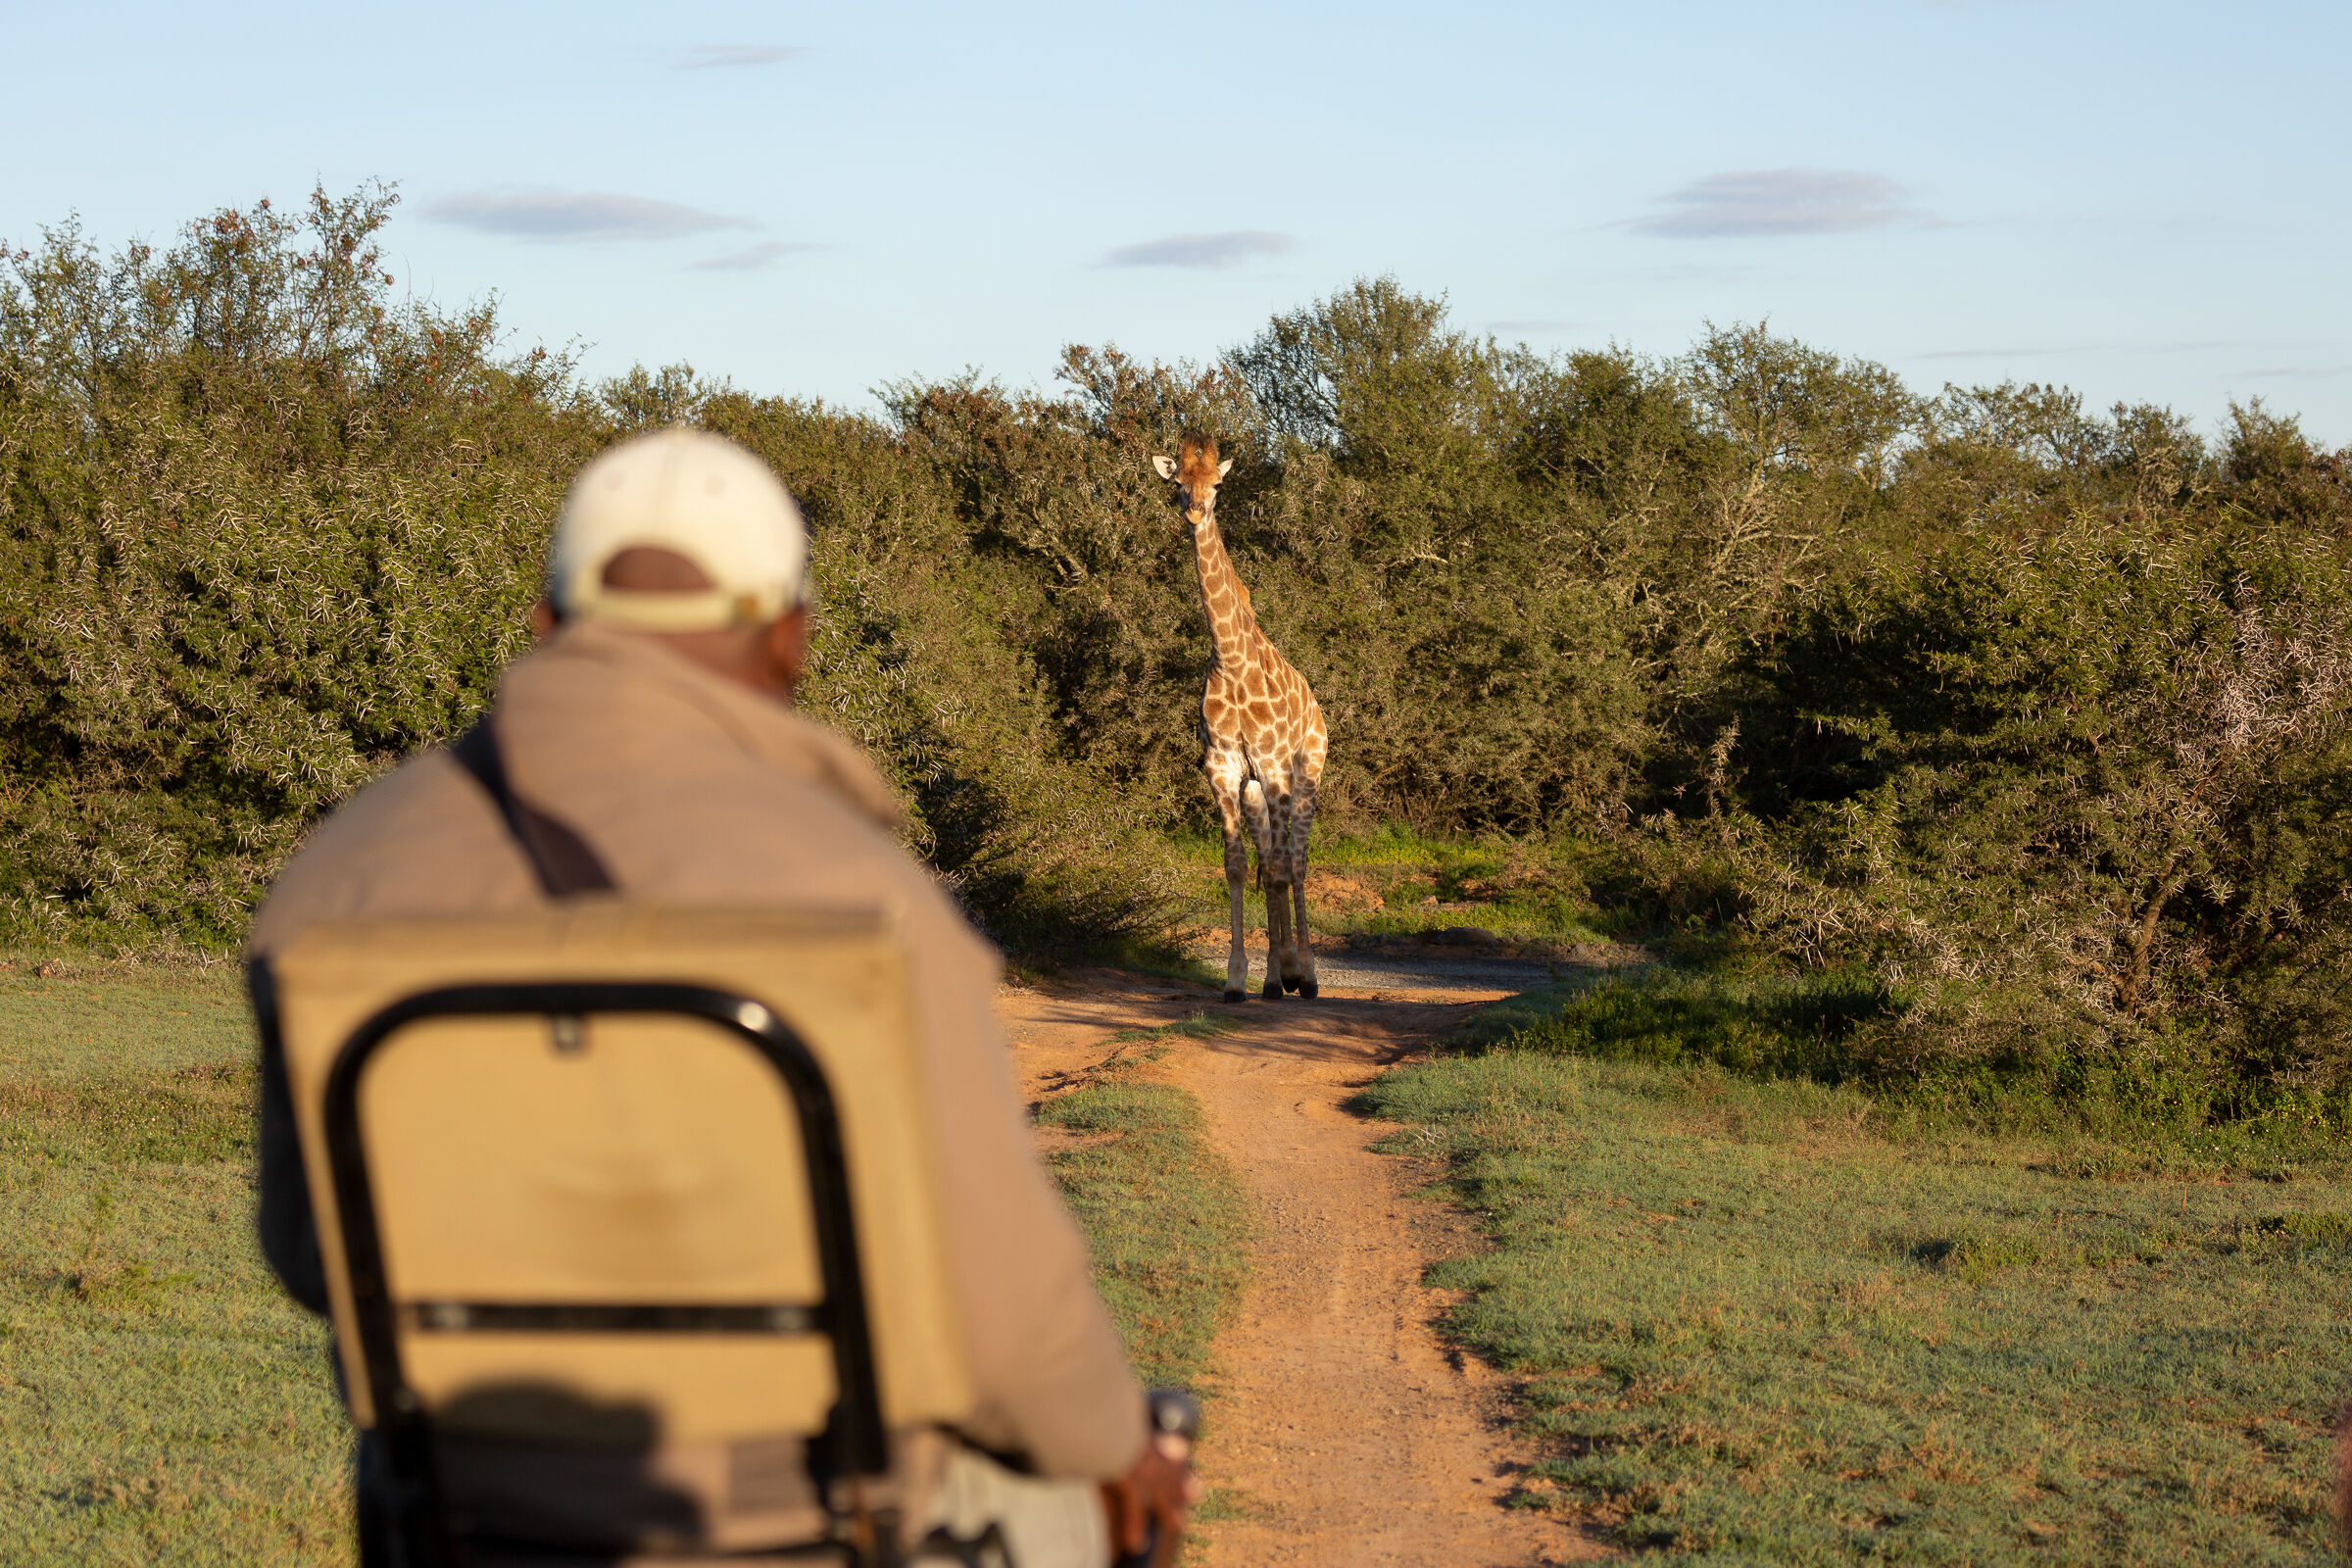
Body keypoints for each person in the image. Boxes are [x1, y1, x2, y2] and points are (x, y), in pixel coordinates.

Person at [248, 427, 1197, 1564]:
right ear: (792, 636)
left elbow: (310, 1256)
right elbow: (1006, 1323)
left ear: (548, 627)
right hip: (808, 1522)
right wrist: (1118, 1450)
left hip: (465, 1519)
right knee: (1110, 1495)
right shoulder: (861, 894)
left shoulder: (338, 871)